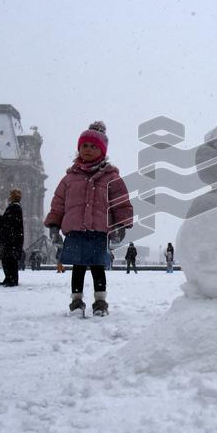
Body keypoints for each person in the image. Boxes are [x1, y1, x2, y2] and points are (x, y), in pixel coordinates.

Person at [45, 121, 133, 317]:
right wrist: (53, 224)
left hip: (99, 231)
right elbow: (58, 203)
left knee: (97, 267)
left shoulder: (112, 178)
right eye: (85, 145)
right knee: (78, 267)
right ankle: (76, 301)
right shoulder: (69, 179)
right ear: (79, 148)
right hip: (76, 230)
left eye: (94, 146)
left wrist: (121, 224)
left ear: (102, 151)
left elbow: (121, 203)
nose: (88, 150)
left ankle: (100, 302)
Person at [0, 189, 24, 287]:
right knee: (7, 260)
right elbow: (6, 221)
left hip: (11, 239)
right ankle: (9, 278)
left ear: (13, 197)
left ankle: (12, 279)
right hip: (11, 238)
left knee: (9, 260)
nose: (9, 197)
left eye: (10, 195)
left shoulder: (14, 207)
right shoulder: (14, 207)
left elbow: (6, 222)